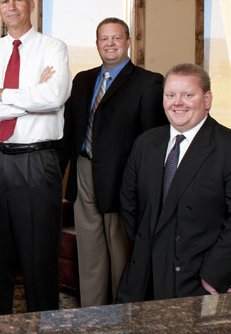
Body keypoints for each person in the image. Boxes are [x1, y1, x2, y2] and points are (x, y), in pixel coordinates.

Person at [116, 63, 231, 302]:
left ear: (207, 99)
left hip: (203, 281)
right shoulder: (146, 143)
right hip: (145, 277)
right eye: (171, 95)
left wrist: (215, 275)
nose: (178, 102)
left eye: (188, 95)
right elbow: (129, 205)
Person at [0, 0, 71, 315]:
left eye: (17, 0)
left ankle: (43, 321)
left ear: (30, 4)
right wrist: (32, 97)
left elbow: (55, 96)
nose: (10, 8)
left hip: (37, 161)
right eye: (4, 2)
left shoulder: (53, 47)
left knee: (39, 254)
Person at [56, 18, 168, 307]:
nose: (110, 44)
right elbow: (70, 130)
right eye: (104, 38)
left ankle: (124, 313)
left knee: (121, 251)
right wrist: (58, 172)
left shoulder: (148, 82)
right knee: (90, 249)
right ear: (96, 44)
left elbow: (152, 141)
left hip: (123, 177)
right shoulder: (82, 80)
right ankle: (92, 312)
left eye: (116, 38)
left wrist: (143, 185)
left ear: (128, 42)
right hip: (83, 171)